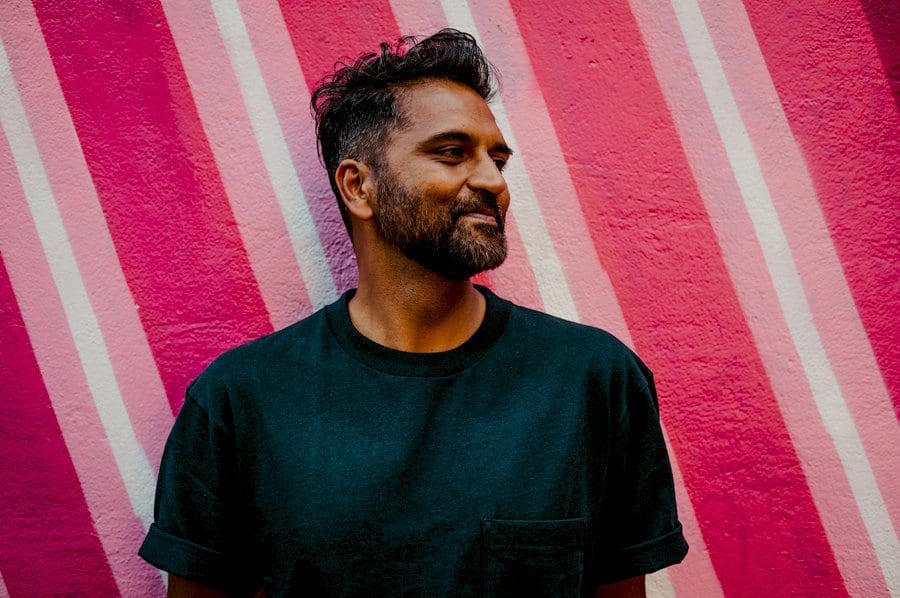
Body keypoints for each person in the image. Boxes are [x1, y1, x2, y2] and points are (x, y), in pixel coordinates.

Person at [139, 28, 688, 597]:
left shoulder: (593, 380)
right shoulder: (240, 400)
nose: (493, 181)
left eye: (498, 159)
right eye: (452, 153)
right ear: (358, 186)